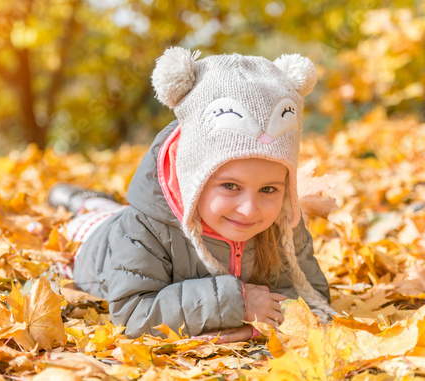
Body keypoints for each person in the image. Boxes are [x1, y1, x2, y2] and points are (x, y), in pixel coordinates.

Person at [49, 47, 335, 343]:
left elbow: (309, 295)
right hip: (93, 241)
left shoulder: (282, 221)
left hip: (122, 221)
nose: (250, 210)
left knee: (111, 209)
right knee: (96, 216)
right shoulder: (144, 227)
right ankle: (83, 201)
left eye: (268, 189)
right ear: (193, 177)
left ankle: (96, 201)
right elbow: (133, 314)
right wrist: (235, 303)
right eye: (230, 186)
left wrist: (258, 325)